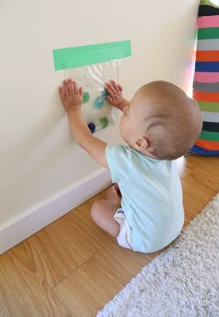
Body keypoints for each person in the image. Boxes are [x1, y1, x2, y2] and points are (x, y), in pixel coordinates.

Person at [58, 79, 202, 253]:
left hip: (144, 240)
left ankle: (122, 222)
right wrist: (120, 103)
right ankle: (122, 203)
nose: (125, 109)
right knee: (124, 187)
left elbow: (86, 141)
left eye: (127, 112)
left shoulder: (125, 161)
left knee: (98, 209)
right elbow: (144, 123)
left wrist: (73, 109)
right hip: (174, 227)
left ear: (140, 142)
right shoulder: (164, 151)